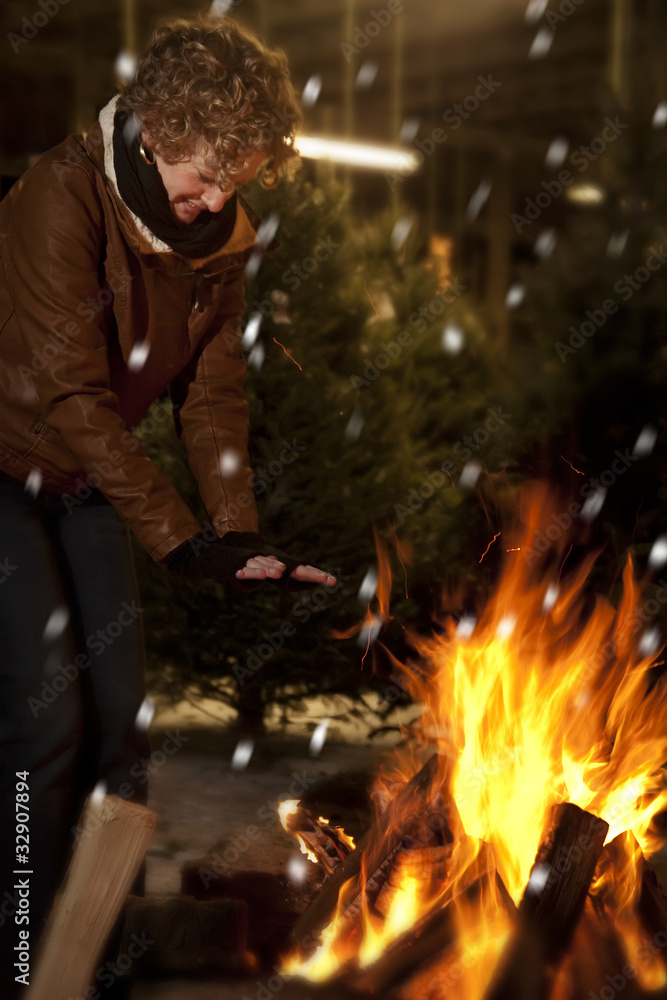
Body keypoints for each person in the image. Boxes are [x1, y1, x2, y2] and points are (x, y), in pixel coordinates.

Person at [0, 15, 334, 995]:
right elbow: (73, 397)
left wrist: (235, 535)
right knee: (41, 724)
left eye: (238, 176)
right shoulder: (60, 195)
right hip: (4, 467)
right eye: (204, 169)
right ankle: (19, 955)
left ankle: (87, 958)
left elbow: (213, 390)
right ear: (153, 126)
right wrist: (181, 541)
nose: (217, 196)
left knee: (120, 734)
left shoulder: (218, 239)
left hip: (87, 477)